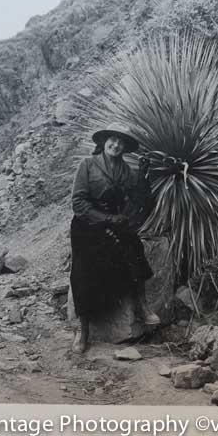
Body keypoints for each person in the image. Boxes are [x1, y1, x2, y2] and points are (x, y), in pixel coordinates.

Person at [69, 121, 160, 354]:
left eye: (121, 142)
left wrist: (145, 176)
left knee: (134, 248)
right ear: (103, 141)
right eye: (112, 139)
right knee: (84, 266)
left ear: (124, 148)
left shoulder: (126, 172)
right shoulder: (88, 165)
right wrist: (106, 219)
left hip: (115, 221)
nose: (116, 144)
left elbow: (139, 200)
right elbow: (78, 202)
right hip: (87, 223)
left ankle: (142, 306)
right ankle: (84, 329)